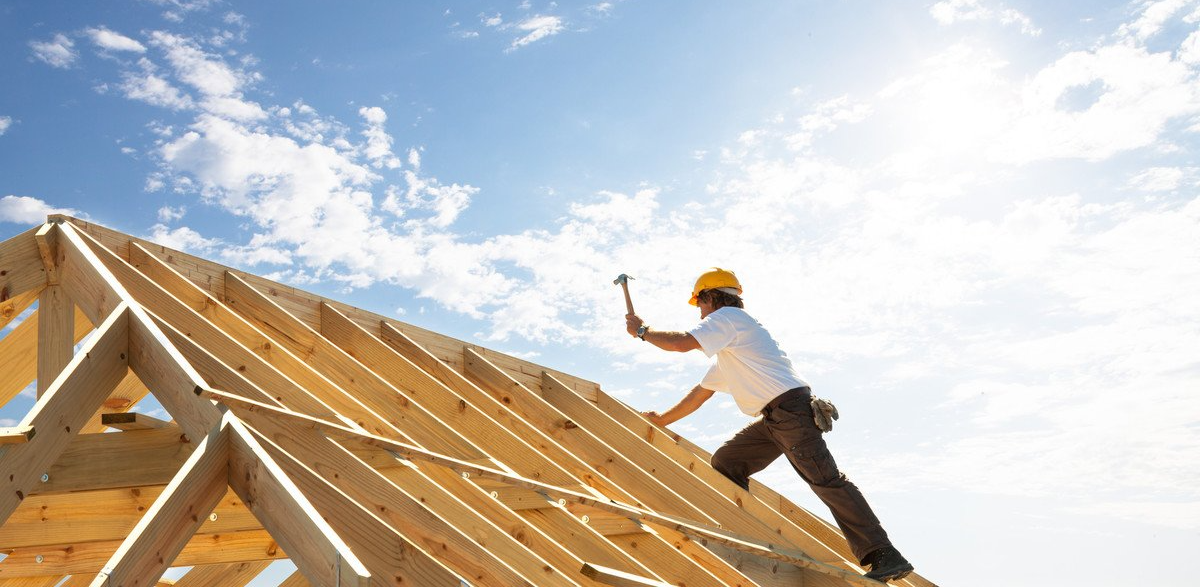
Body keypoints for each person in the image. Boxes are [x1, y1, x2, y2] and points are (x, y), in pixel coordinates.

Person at [624, 268, 914, 583]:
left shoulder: (728, 319)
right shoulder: (734, 349)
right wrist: (662, 421)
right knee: (727, 462)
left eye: (700, 304)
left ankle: (885, 555)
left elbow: (682, 343)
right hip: (777, 417)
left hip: (789, 412)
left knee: (826, 481)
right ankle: (747, 527)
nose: (700, 311)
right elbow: (700, 395)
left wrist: (643, 331)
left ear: (710, 297)